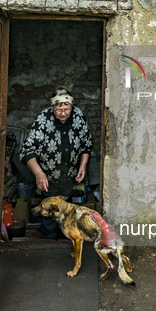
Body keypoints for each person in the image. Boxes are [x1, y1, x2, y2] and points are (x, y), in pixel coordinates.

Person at [20, 88, 93, 239]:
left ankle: (66, 240)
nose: (63, 113)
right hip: (49, 175)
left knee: (66, 210)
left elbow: (87, 143)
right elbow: (28, 149)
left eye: (66, 109)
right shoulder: (43, 118)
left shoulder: (79, 116)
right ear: (53, 107)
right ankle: (49, 242)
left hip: (70, 175)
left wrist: (83, 165)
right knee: (49, 211)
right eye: (59, 109)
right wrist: (39, 174)